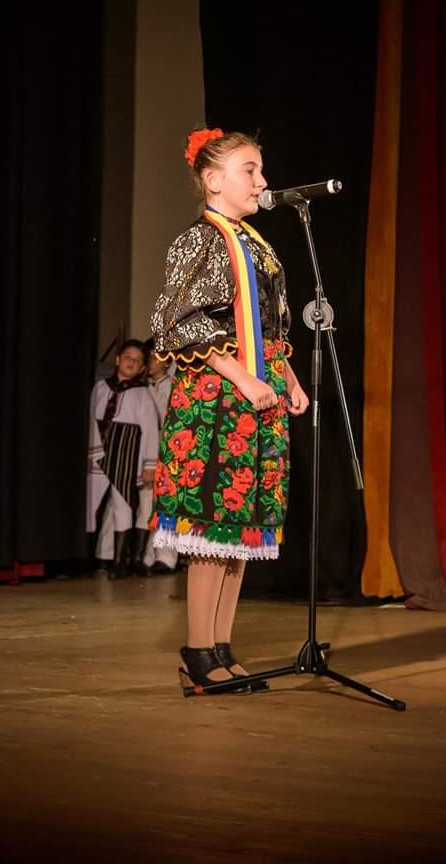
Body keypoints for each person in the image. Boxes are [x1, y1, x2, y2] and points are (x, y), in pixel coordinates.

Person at [149, 127, 309, 694]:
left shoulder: (255, 244)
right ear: (213, 180)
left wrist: (288, 379)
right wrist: (243, 377)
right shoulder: (202, 240)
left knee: (240, 532)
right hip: (217, 402)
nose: (262, 181)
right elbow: (177, 321)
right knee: (214, 526)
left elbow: (269, 327)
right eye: (250, 170)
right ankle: (197, 650)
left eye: (261, 170)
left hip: (257, 397)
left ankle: (221, 647)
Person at [86, 339, 159, 578]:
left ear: (142, 368)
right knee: (90, 504)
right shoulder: (100, 387)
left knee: (123, 506)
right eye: (128, 357)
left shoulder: (142, 394)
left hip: (126, 456)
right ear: (118, 360)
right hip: (98, 452)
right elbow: (89, 419)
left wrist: (150, 465)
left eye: (137, 361)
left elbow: (150, 431)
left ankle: (119, 562)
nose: (131, 362)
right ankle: (86, 558)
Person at [138, 348, 179, 575]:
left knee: (166, 500)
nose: (152, 362)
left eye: (157, 358)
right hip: (147, 449)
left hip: (168, 449)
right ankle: (147, 555)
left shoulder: (172, 386)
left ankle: (166, 556)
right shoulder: (143, 387)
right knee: (146, 504)